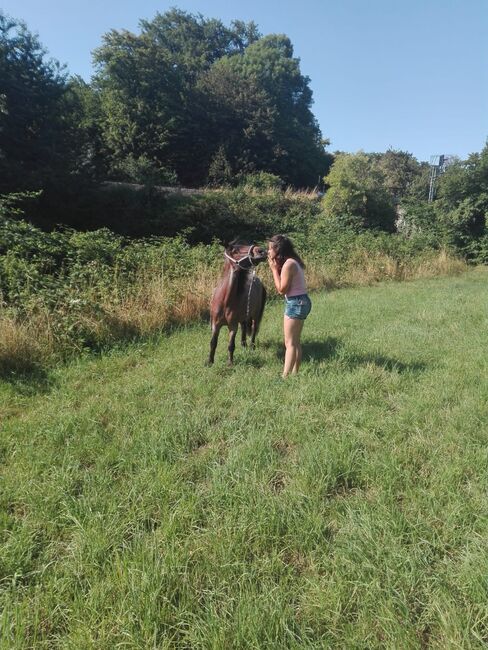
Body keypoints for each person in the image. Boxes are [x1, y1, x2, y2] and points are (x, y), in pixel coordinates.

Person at [267, 234, 312, 378]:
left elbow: (281, 290)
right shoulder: (293, 261)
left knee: (290, 343)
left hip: (295, 303)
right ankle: (294, 373)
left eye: (270, 249)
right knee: (296, 341)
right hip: (302, 301)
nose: (268, 252)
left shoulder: (288, 264)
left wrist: (274, 270)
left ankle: (284, 377)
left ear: (277, 249)